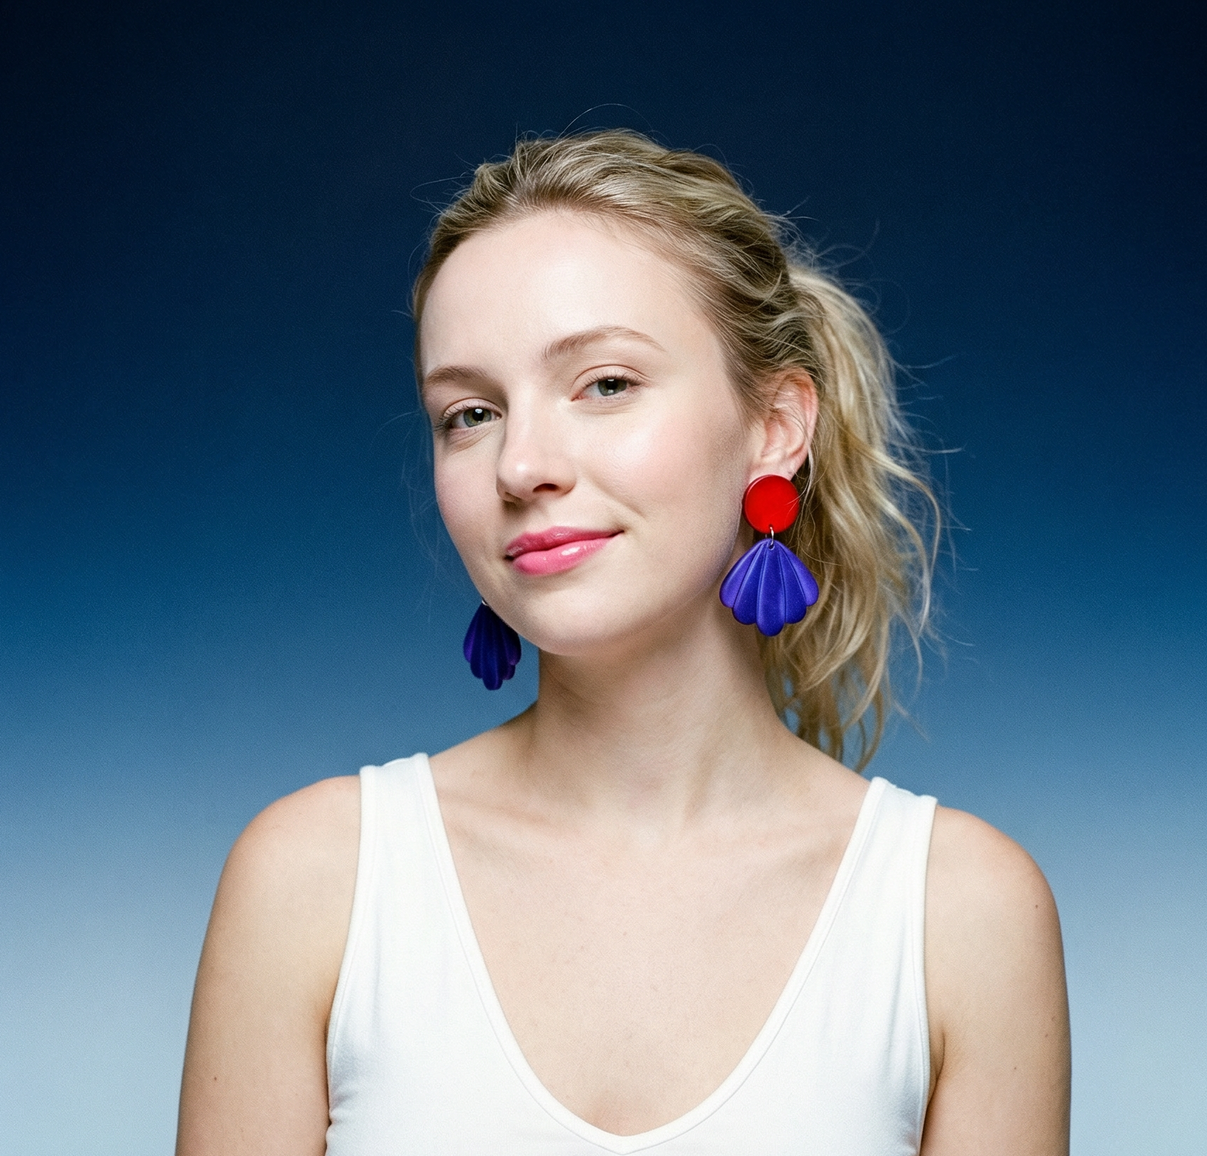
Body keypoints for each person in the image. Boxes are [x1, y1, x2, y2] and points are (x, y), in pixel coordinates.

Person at [175, 130, 1070, 1155]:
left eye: (603, 383)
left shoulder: (957, 913)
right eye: (468, 412)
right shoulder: (314, 881)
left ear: (774, 425)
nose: (522, 464)